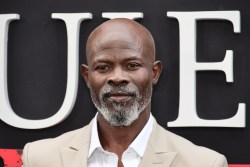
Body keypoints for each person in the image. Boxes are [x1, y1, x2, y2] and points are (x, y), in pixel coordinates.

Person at [22, 18, 227, 167]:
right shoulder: (40, 159)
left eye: (132, 65)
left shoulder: (204, 163)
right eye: (103, 67)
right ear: (86, 76)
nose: (117, 77)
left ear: (154, 73)